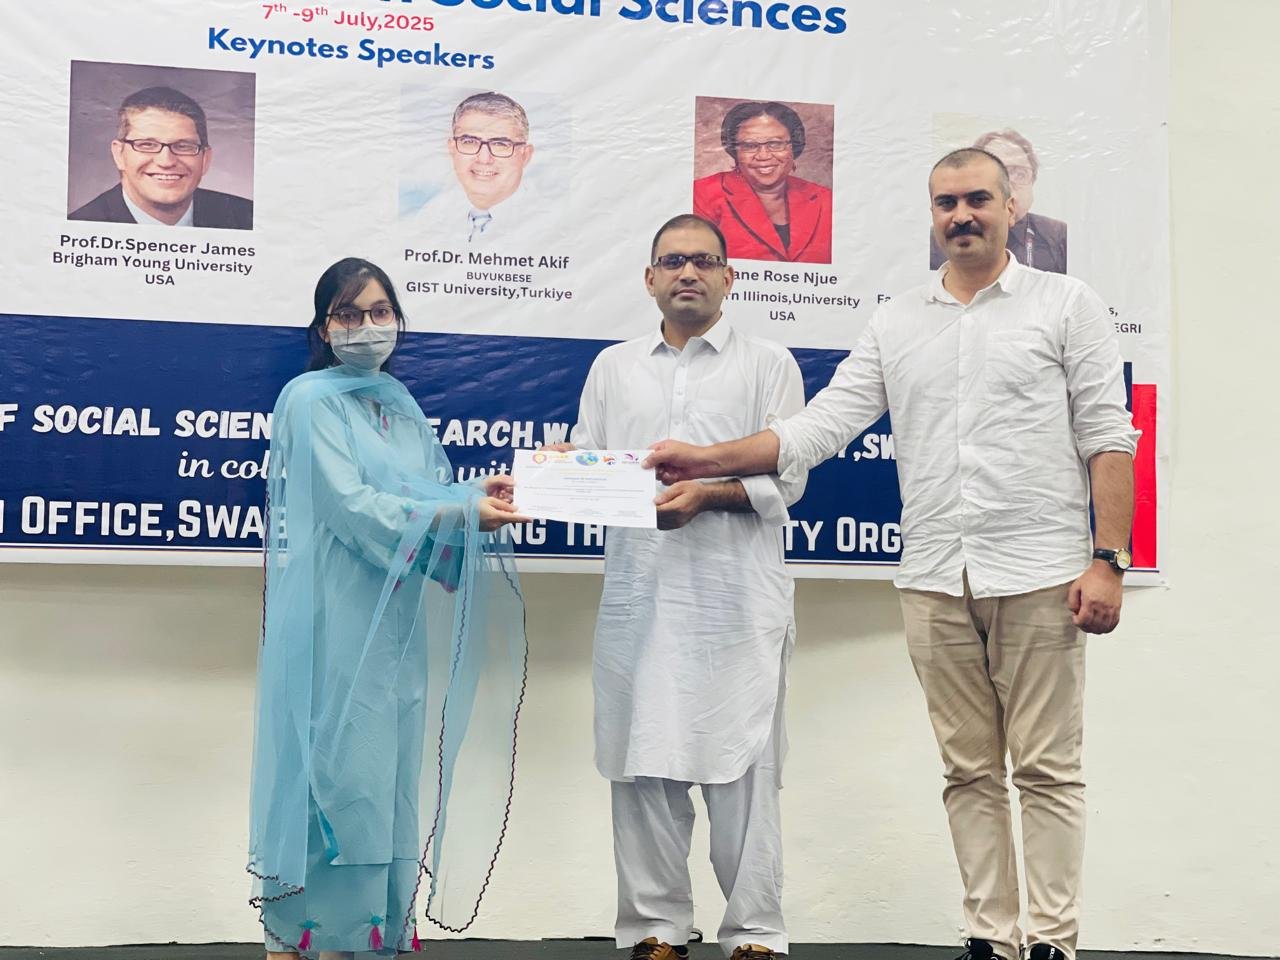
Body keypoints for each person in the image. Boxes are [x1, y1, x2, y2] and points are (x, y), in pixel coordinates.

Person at [649, 150, 1139, 960]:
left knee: (1047, 770)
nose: (961, 215)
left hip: (1042, 572)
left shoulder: (1067, 304)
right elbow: (821, 427)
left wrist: (1108, 559)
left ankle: (1052, 940)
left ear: (1011, 207)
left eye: (977, 199)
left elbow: (1108, 436)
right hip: (935, 577)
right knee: (968, 771)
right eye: (946, 203)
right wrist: (706, 459)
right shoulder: (897, 321)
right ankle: (991, 936)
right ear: (933, 214)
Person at [247, 258, 529, 959]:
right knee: (336, 771)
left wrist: (474, 494)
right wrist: (460, 514)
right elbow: (351, 507)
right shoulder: (309, 399)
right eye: (349, 314)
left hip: (394, 618)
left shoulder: (396, 401)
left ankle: (366, 935)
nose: (367, 327)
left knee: (384, 775)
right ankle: (304, 938)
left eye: (380, 312)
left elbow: (422, 492)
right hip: (336, 610)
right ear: (323, 328)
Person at [562, 214, 808, 960]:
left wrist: (707, 495)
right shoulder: (613, 368)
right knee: (642, 763)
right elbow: (590, 466)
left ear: (729, 277)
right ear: (650, 279)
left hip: (738, 601)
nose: (688, 273)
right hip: (641, 597)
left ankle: (755, 934)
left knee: (745, 770)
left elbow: (788, 479)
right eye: (672, 262)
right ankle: (654, 928)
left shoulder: (768, 364)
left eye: (703, 261)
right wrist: (548, 478)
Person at [69, 85, 253, 229]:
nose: (166, 161)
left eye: (183, 146)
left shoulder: (247, 218)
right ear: (119, 154)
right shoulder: (79, 228)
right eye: (147, 145)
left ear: (205, 159)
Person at [693, 101, 832, 263]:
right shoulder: (701, 195)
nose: (763, 156)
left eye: (775, 144)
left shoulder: (826, 200)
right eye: (750, 145)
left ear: (794, 146)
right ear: (734, 151)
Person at [411, 92, 540, 247]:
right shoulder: (427, 218)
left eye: (500, 144)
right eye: (469, 142)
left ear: (525, 155)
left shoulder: (548, 223)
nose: (484, 159)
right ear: (452, 149)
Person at [929, 129, 1066, 273]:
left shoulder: (1058, 235)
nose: (1008, 184)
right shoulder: (933, 242)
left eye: (1019, 174)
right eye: (947, 203)